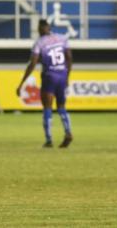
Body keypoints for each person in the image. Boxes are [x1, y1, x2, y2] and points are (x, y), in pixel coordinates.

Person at [17, 19, 73, 148]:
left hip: (50, 76)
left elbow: (33, 63)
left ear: (40, 29)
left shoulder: (40, 43)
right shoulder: (62, 39)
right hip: (62, 74)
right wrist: (67, 75)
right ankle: (68, 131)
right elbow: (69, 57)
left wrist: (21, 83)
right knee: (62, 107)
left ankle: (49, 140)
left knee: (47, 107)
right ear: (49, 27)